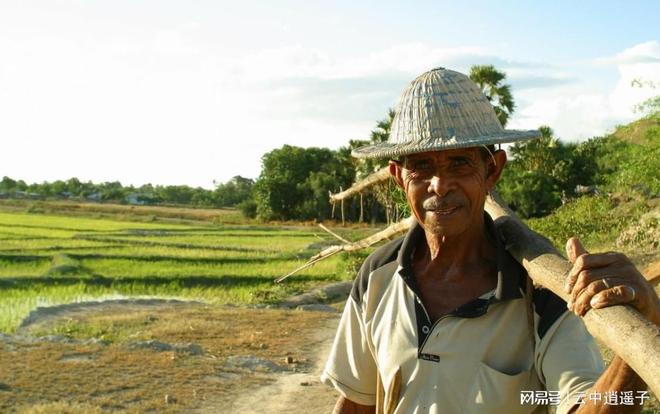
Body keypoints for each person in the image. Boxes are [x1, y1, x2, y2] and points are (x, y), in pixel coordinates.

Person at [320, 67, 660, 414]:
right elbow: (357, 403)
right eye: (422, 166)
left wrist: (642, 333)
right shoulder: (378, 274)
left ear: (493, 170)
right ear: (398, 177)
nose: (439, 185)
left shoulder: (544, 295)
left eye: (459, 163)